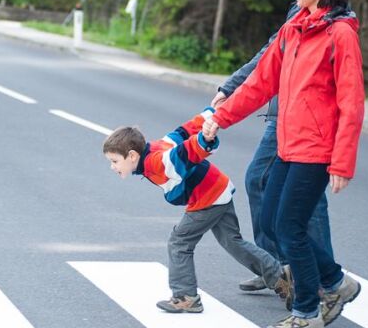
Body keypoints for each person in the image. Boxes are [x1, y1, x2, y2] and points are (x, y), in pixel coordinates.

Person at [204, 0, 365, 328]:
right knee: (278, 222)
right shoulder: (295, 28)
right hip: (288, 144)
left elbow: (352, 102)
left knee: (290, 227)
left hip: (316, 148)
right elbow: (261, 82)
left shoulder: (340, 34)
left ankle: (308, 310)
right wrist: (220, 117)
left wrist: (342, 163)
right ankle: (334, 280)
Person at [211, 0, 335, 294]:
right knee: (275, 188)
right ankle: (281, 268)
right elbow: (271, 56)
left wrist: (229, 90)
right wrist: (231, 88)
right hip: (284, 113)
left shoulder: (325, 16)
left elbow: (271, 59)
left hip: (298, 118)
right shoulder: (299, 6)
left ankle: (309, 275)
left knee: (289, 194)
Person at [102, 108, 291, 314]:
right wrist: (211, 113)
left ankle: (185, 296)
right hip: (218, 188)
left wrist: (204, 139)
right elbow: (183, 131)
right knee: (233, 242)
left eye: (114, 161)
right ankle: (280, 277)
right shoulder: (157, 147)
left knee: (179, 242)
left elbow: (185, 152)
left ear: (131, 155)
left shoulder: (156, 162)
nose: (112, 167)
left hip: (207, 197)